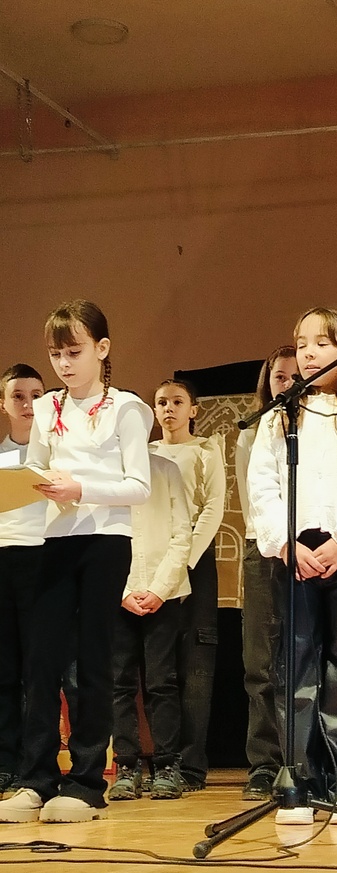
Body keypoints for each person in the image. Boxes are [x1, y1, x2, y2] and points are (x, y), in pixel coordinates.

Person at [0, 300, 153, 823]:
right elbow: (38, 467)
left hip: (105, 539)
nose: (64, 364)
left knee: (92, 659)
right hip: (55, 537)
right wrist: (34, 483)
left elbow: (139, 486)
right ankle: (35, 778)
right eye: (56, 354)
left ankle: (86, 780)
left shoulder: (126, 408)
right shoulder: (47, 408)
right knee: (41, 660)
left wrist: (80, 487)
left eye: (74, 352)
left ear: (102, 349)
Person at [248, 307, 337, 825]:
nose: (309, 353)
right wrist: (285, 542)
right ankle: (299, 779)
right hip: (295, 553)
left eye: (322, 343)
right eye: (302, 343)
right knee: (295, 667)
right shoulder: (282, 415)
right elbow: (263, 484)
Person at [150, 380, 226, 792]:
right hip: (155, 563)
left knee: (196, 662)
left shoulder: (206, 450)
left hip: (194, 562)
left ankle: (192, 764)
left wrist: (186, 561)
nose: (169, 409)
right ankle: (163, 761)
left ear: (193, 409)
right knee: (159, 666)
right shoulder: (146, 454)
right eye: (162, 402)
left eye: (177, 402)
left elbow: (213, 507)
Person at [109, 451, 193, 801]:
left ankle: (167, 765)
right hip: (119, 592)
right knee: (120, 682)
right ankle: (126, 764)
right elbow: (102, 538)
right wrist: (123, 591)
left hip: (164, 593)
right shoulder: (106, 472)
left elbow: (182, 534)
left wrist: (159, 589)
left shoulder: (166, 469)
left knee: (162, 682)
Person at [235, 345, 297, 800]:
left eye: (296, 376)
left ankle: (310, 758)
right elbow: (253, 499)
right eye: (279, 376)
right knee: (261, 663)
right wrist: (275, 541)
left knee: (307, 657)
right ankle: (264, 764)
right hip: (265, 547)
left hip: (315, 549)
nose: (287, 384)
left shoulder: (327, 426)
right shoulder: (253, 432)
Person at [0, 364, 46, 794]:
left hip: (44, 561)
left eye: (36, 395)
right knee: (5, 670)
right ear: (4, 403)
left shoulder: (56, 455)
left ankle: (38, 765)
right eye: (18, 395)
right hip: (4, 562)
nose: (28, 404)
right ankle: (6, 762)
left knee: (41, 672)